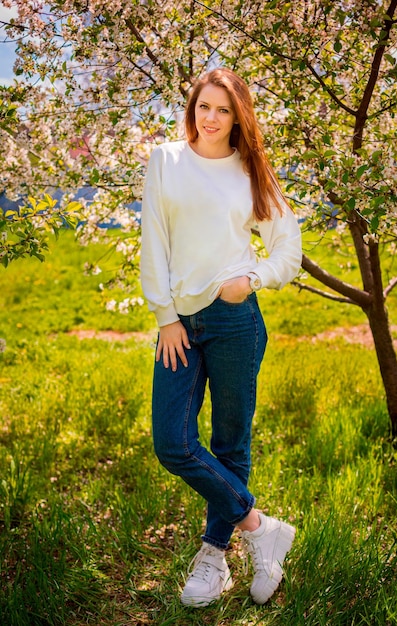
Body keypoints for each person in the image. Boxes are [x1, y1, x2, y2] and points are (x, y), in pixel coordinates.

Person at [140, 67, 302, 607]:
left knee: (231, 442)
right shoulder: (166, 160)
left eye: (223, 110)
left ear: (239, 116)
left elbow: (287, 251)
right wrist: (165, 316)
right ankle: (261, 527)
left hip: (235, 320)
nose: (211, 118)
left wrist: (251, 279)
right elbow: (154, 241)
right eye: (203, 106)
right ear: (193, 108)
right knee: (174, 444)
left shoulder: (250, 171)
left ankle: (214, 556)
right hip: (179, 325)